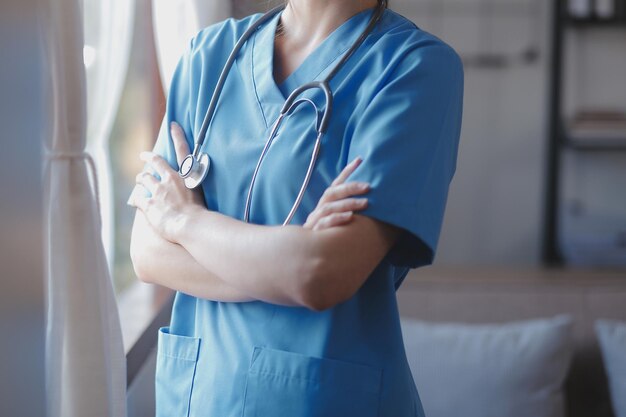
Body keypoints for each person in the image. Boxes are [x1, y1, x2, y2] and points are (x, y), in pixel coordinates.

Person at [127, 0, 463, 416]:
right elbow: (147, 255)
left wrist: (184, 220)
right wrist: (287, 262)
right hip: (201, 398)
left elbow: (319, 275)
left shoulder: (416, 69)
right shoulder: (209, 55)